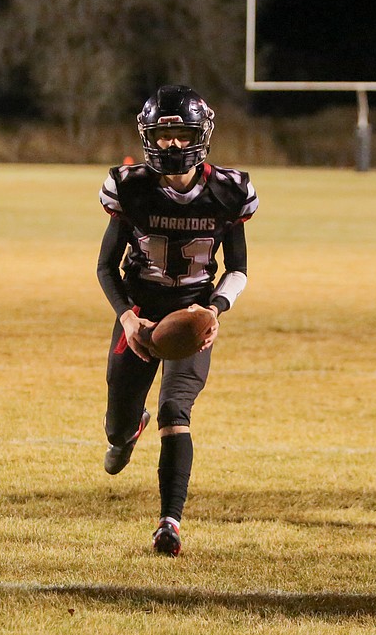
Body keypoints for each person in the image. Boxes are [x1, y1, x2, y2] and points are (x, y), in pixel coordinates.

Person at [97, 85, 257, 556]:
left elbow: (239, 269)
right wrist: (127, 318)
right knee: (116, 428)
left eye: (181, 134)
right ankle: (129, 430)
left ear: (201, 134)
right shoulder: (130, 186)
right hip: (141, 315)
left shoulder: (228, 191)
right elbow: (106, 266)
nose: (170, 145)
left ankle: (170, 522)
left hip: (191, 315)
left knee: (176, 412)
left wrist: (214, 309)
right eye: (161, 136)